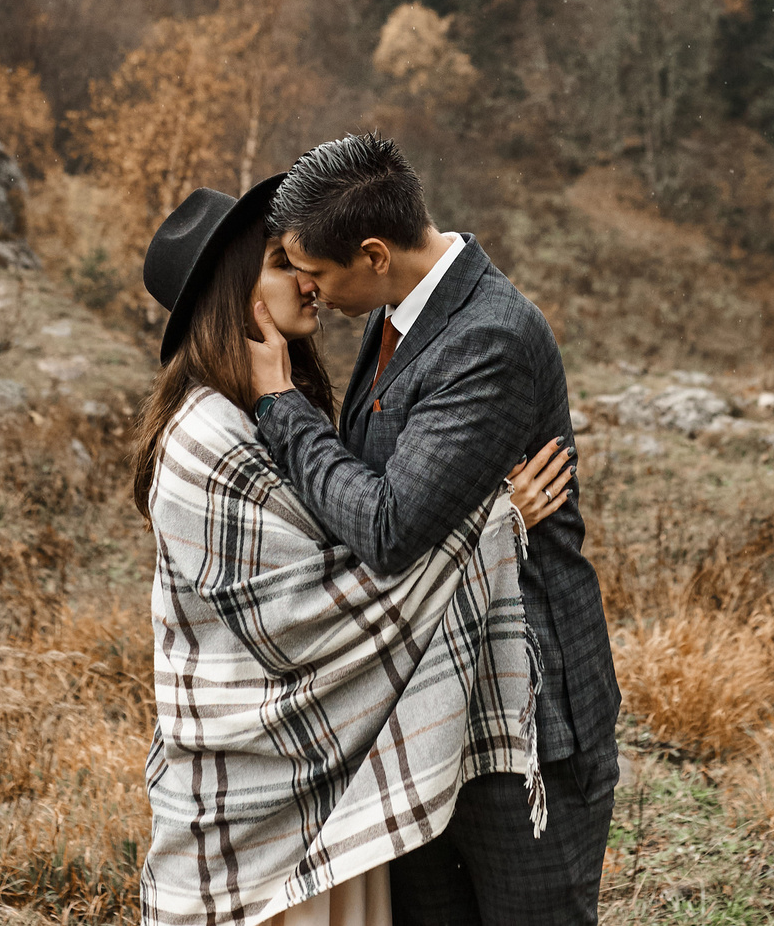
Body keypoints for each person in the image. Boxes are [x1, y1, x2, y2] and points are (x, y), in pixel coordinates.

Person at [134, 173, 577, 926]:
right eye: (281, 263)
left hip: (321, 786)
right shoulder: (208, 440)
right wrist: (493, 520)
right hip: (252, 792)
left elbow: (354, 537)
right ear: (237, 297)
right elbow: (311, 613)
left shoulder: (266, 409)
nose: (306, 280)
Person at [247, 135, 620, 926]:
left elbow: (387, 525)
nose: (308, 289)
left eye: (315, 271)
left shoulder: (489, 338)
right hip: (427, 706)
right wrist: (492, 514)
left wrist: (281, 404)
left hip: (522, 723)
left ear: (374, 254)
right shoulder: (395, 314)